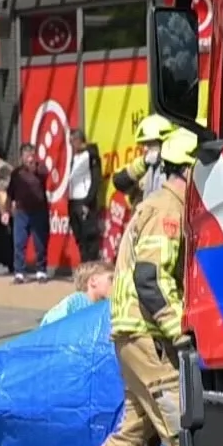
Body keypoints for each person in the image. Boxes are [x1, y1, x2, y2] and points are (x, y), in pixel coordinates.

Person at [53, 125, 223, 446]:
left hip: (135, 335)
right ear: (188, 170)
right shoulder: (168, 210)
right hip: (149, 336)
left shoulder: (160, 205)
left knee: (138, 434)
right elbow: (150, 279)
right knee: (184, 428)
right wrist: (180, 336)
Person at [6, 143, 52, 284]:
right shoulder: (16, 173)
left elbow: (44, 176)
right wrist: (6, 211)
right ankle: (19, 272)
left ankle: (41, 271)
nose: (29, 158)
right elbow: (10, 194)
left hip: (39, 211)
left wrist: (34, 168)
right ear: (21, 157)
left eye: (31, 154)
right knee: (19, 242)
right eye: (26, 155)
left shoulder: (41, 169)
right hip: (21, 212)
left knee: (40, 242)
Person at [112, 115, 178, 200]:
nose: (145, 148)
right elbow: (119, 181)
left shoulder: (177, 170)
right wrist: (143, 163)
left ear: (164, 142)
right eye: (143, 144)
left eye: (149, 143)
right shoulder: (148, 163)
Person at [66, 128, 103, 262]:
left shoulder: (90, 154)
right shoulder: (74, 157)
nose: (71, 144)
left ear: (79, 140)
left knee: (89, 235)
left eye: (72, 141)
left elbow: (96, 179)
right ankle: (84, 263)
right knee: (79, 236)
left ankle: (91, 264)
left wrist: (88, 201)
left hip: (84, 200)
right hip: (73, 201)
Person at [40, 260, 113, 327]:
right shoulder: (76, 303)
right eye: (111, 279)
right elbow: (51, 326)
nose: (115, 284)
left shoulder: (104, 307)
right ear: (93, 281)